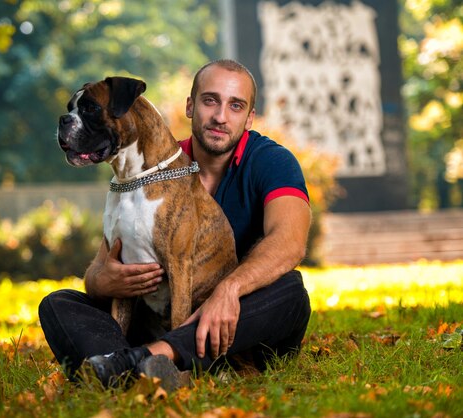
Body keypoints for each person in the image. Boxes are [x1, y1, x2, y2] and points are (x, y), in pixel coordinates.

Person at [39, 59, 312, 388]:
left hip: (239, 327)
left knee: (291, 290)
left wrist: (229, 289)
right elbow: (99, 270)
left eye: (235, 106)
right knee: (58, 304)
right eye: (210, 100)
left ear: (250, 118)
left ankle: (140, 361)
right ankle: (134, 370)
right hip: (155, 315)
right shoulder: (152, 164)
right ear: (189, 105)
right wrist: (105, 280)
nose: (220, 116)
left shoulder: (272, 161)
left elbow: (290, 243)